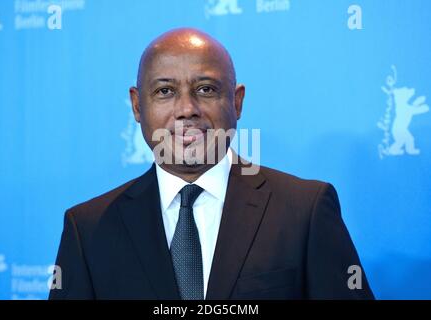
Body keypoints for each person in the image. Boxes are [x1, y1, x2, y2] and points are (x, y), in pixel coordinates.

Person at [49, 28, 374, 300]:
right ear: (137, 105)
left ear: (237, 101)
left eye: (206, 89)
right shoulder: (88, 230)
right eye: (165, 91)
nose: (187, 108)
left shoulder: (305, 211)